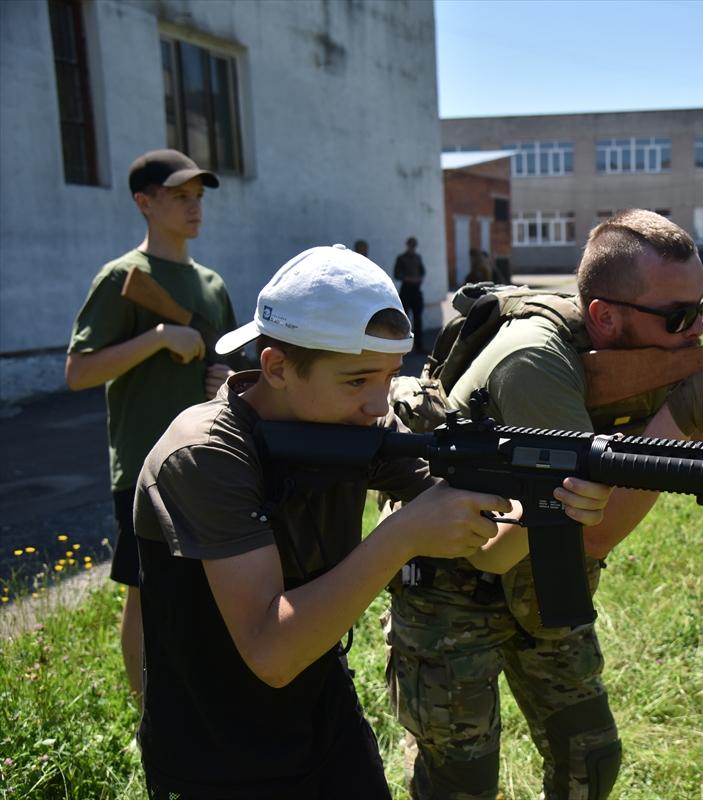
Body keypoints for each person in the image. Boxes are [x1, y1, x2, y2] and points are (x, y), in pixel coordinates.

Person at [383, 209, 703, 799]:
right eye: (678, 316)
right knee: (459, 782)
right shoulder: (534, 361)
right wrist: (681, 417)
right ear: (604, 316)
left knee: (589, 759)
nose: (696, 330)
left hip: (545, 582)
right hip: (454, 579)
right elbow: (590, 532)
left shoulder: (658, 354)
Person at [132, 243, 612, 798]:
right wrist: (401, 536)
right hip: (215, 751)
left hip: (322, 718)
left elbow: (486, 551)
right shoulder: (206, 455)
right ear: (276, 366)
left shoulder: (354, 430)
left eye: (388, 377)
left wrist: (548, 508)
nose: (377, 404)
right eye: (356, 380)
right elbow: (271, 653)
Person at [64, 148, 249, 702]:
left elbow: (234, 366)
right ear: (144, 203)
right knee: (146, 593)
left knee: (214, 587)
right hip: (145, 466)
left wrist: (224, 380)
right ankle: (149, 716)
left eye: (198, 197)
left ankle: (204, 700)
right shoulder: (123, 277)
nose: (195, 208)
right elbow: (78, 370)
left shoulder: (211, 284)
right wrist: (159, 338)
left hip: (209, 459)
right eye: (179, 197)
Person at [393, 236, 426, 352]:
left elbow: (422, 271)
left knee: (418, 319)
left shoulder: (418, 257)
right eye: (410, 245)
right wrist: (407, 279)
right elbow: (397, 274)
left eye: (413, 245)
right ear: (407, 245)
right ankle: (403, 346)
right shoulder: (401, 258)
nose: (412, 247)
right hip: (406, 290)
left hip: (416, 290)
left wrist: (419, 279)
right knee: (405, 319)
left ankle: (419, 346)